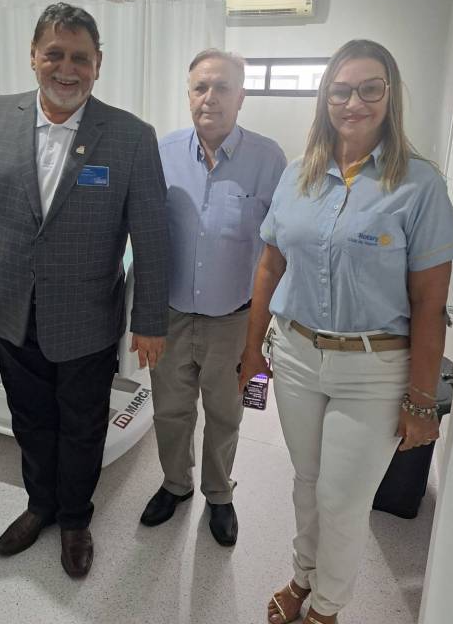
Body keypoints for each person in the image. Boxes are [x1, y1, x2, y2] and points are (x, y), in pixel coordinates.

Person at [0, 2, 169, 578]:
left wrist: (150, 321)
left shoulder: (130, 136)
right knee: (30, 419)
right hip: (10, 306)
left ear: (99, 64)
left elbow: (152, 237)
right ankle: (39, 504)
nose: (67, 70)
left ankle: (74, 519)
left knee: (83, 424)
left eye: (80, 59)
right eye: (55, 55)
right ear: (33, 56)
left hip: (87, 315)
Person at [239, 38, 453, 623]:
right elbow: (269, 266)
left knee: (342, 500)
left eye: (369, 88)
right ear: (325, 97)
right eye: (340, 90)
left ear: (390, 96)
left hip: (374, 369)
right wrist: (251, 352)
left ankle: (327, 606)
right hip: (295, 356)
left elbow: (430, 302)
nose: (354, 102)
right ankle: (302, 576)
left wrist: (421, 400)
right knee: (307, 483)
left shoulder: (419, 185)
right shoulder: (298, 174)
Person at [140, 49, 286, 545]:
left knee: (225, 413)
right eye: (200, 87)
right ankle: (175, 484)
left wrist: (262, 332)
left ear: (241, 96)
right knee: (170, 410)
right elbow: (146, 234)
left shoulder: (268, 159)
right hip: (171, 315)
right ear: (189, 95)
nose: (210, 98)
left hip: (233, 319)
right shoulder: (162, 152)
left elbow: (277, 250)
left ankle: (220, 494)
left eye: (222, 87)